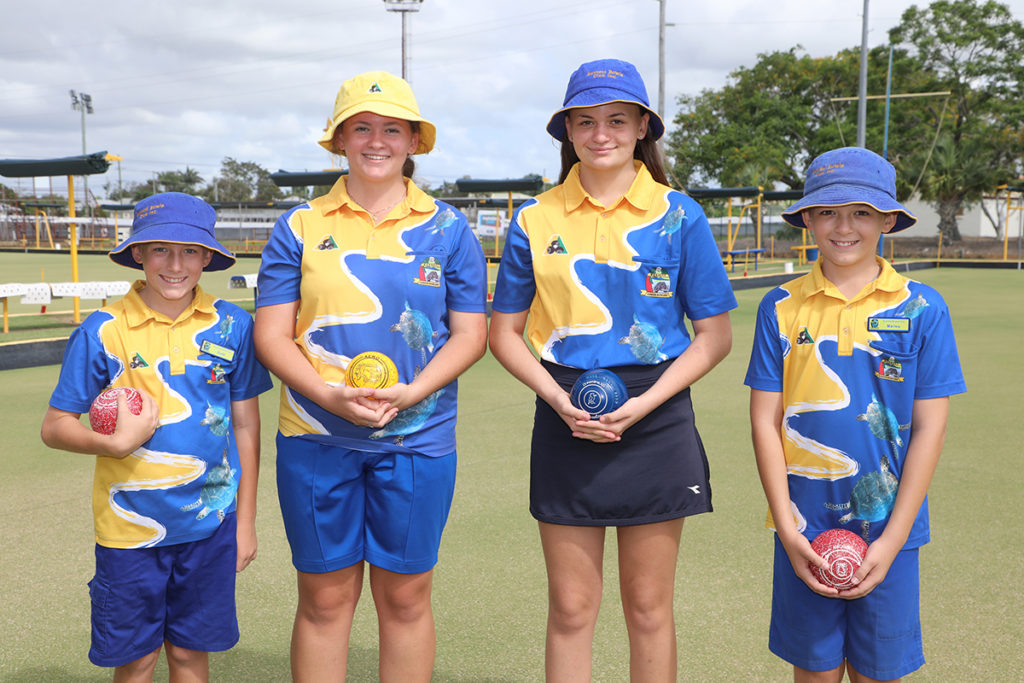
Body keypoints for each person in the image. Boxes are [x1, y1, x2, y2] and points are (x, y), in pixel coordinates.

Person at [488, 58, 737, 681]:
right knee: (572, 607)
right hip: (565, 409)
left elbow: (714, 337)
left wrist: (644, 404)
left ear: (642, 128)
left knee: (648, 607)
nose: (601, 134)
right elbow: (504, 334)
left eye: (617, 120)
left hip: (655, 416)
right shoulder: (532, 217)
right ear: (567, 131)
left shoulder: (680, 214)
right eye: (586, 121)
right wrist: (556, 398)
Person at [254, 70, 487, 682]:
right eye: (361, 127)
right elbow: (273, 336)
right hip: (314, 436)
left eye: (391, 128)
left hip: (417, 437)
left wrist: (412, 392)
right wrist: (329, 394)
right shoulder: (298, 225)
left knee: (406, 599)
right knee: (325, 600)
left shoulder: (449, 228)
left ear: (414, 140)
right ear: (339, 140)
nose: (376, 141)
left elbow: (471, 334)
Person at [744, 147, 967, 682]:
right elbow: (763, 422)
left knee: (877, 672)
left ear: (887, 219)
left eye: (861, 212)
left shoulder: (922, 307)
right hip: (804, 525)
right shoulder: (779, 305)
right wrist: (788, 528)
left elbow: (931, 427)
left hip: (890, 525)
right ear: (807, 219)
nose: (843, 227)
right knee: (816, 672)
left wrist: (891, 540)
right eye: (827, 212)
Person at [40, 192, 273, 682]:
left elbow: (247, 426)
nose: (175, 264)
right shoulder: (104, 330)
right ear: (138, 254)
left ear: (207, 257)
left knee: (190, 656)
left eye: (189, 251)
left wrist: (245, 521)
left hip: (211, 527)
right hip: (129, 529)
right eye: (160, 249)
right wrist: (111, 444)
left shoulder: (233, 325)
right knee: (138, 659)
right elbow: (55, 426)